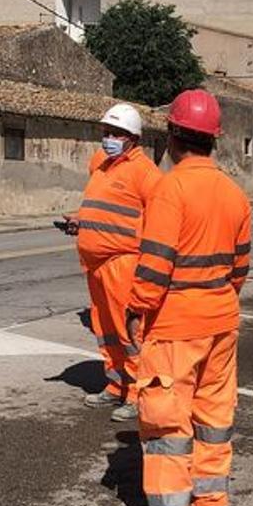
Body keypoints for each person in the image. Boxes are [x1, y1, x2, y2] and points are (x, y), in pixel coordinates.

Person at [119, 89, 251, 506]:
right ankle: (212, 500)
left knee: (166, 420)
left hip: (177, 326)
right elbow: (240, 268)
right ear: (213, 139)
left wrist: (137, 309)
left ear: (173, 135)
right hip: (221, 320)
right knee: (214, 415)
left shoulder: (169, 189)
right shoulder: (234, 193)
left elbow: (155, 263)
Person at [62, 103, 162, 423]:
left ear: (133, 138)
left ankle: (137, 393)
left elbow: (159, 219)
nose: (108, 138)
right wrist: (80, 221)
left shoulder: (145, 172)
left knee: (129, 333)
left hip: (124, 262)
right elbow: (104, 209)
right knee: (106, 332)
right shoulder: (102, 166)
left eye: (116, 133)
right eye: (105, 132)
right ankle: (115, 383)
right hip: (96, 265)